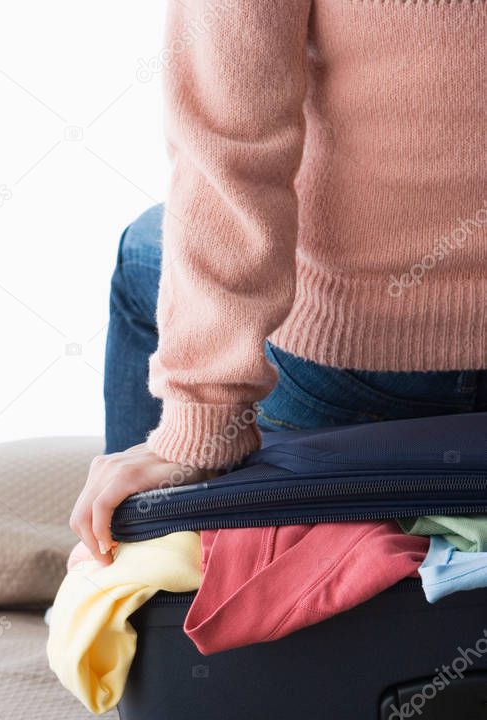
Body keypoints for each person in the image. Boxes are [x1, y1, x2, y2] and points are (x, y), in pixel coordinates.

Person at [70, 0, 487, 563]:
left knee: (143, 247)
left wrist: (201, 426)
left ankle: (128, 559)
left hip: (359, 366)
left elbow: (229, 155)